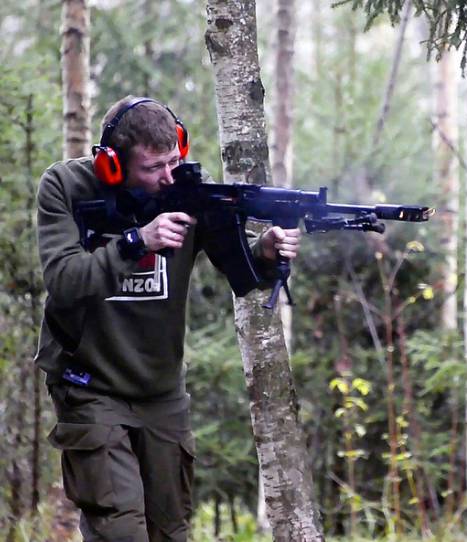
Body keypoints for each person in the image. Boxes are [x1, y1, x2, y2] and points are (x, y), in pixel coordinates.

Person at [35, 96, 301, 541]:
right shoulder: (66, 186)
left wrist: (267, 253)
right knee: (120, 531)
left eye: (173, 161)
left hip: (161, 391)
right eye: (153, 168)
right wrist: (136, 242)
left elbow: (240, 271)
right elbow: (62, 279)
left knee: (170, 530)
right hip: (89, 385)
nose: (167, 178)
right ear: (113, 167)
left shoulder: (189, 190)